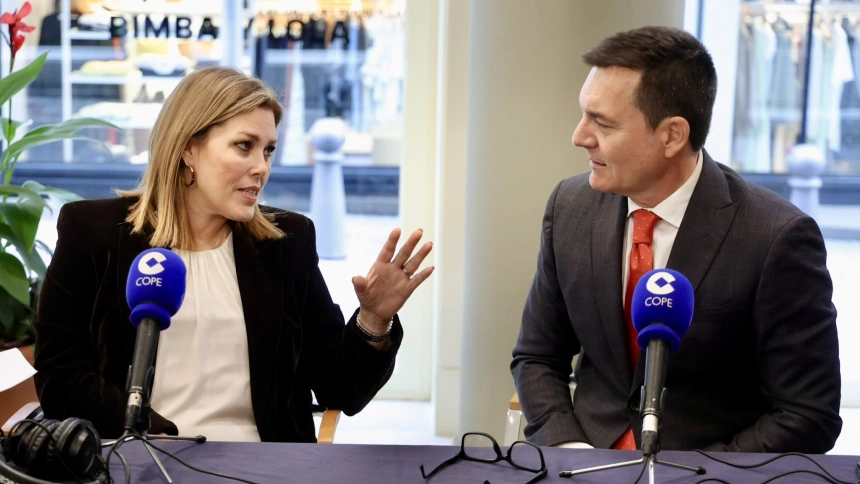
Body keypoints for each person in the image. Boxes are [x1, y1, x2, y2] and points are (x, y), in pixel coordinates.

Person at [33, 66, 434, 442]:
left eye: (269, 151)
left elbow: (339, 389)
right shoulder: (93, 233)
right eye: (245, 146)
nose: (262, 167)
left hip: (261, 464)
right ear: (188, 149)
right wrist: (154, 437)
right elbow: (61, 379)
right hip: (137, 457)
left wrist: (373, 319)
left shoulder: (288, 242)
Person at [511, 26, 841, 453]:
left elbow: (807, 413)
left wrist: (696, 474)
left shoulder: (776, 237)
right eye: (583, 114)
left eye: (602, 123)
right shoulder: (570, 207)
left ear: (672, 135)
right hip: (584, 459)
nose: (580, 136)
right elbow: (537, 357)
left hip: (712, 468)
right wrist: (569, 449)